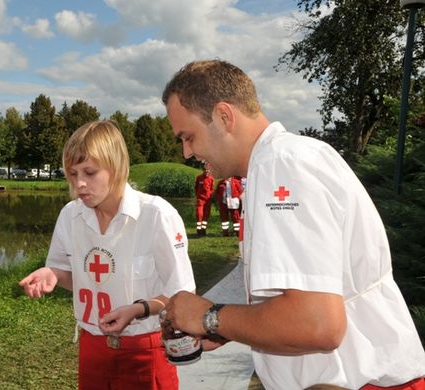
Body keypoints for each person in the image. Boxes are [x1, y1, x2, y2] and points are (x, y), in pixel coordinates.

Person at [161, 60, 425, 389]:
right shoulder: (279, 163)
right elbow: (298, 302)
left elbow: (316, 325)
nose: (187, 152)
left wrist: (209, 316)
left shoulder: (280, 166)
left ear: (224, 116)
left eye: (189, 137)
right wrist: (227, 326)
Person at [19, 120, 196, 389]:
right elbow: (74, 278)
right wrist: (52, 274)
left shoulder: (156, 215)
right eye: (73, 173)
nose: (79, 184)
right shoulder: (70, 216)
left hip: (144, 350)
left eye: (89, 172)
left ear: (116, 167)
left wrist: (138, 309)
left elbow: (181, 295)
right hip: (92, 347)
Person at [194, 163, 214, 236]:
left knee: (206, 214)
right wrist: (198, 195)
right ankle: (199, 230)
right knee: (199, 214)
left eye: (208, 170)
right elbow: (196, 187)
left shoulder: (211, 179)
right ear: (203, 170)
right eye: (205, 170)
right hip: (200, 199)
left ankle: (203, 230)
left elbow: (211, 189)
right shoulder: (199, 177)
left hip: (208, 200)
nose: (207, 171)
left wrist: (210, 196)